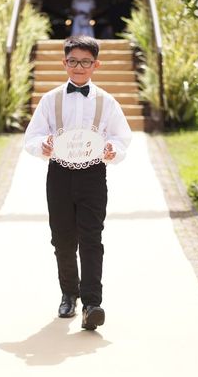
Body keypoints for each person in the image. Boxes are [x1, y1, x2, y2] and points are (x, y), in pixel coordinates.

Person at [24, 35, 132, 330]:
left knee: (91, 238)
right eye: (73, 61)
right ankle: (68, 293)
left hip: (93, 175)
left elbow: (121, 138)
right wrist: (42, 145)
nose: (79, 67)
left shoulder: (107, 102)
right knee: (62, 239)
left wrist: (113, 151)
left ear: (96, 65)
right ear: (64, 63)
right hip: (59, 174)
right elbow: (31, 137)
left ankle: (92, 303)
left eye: (85, 62)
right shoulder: (51, 99)